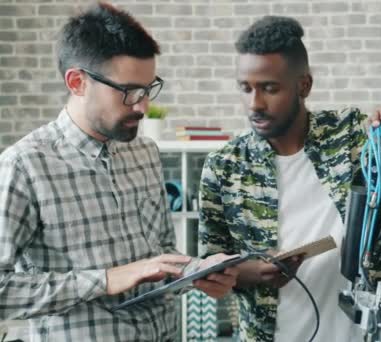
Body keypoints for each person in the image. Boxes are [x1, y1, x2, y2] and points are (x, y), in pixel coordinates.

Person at [0, 3, 238, 341]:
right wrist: (107, 279)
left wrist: (195, 273)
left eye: (148, 88)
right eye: (128, 92)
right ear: (77, 82)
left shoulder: (144, 153)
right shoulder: (24, 165)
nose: (142, 106)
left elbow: (160, 256)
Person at [199, 16, 381, 342]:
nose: (255, 104)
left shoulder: (349, 134)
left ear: (303, 85)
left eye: (270, 88)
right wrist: (254, 273)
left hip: (366, 333)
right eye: (245, 89)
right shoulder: (224, 167)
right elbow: (210, 267)